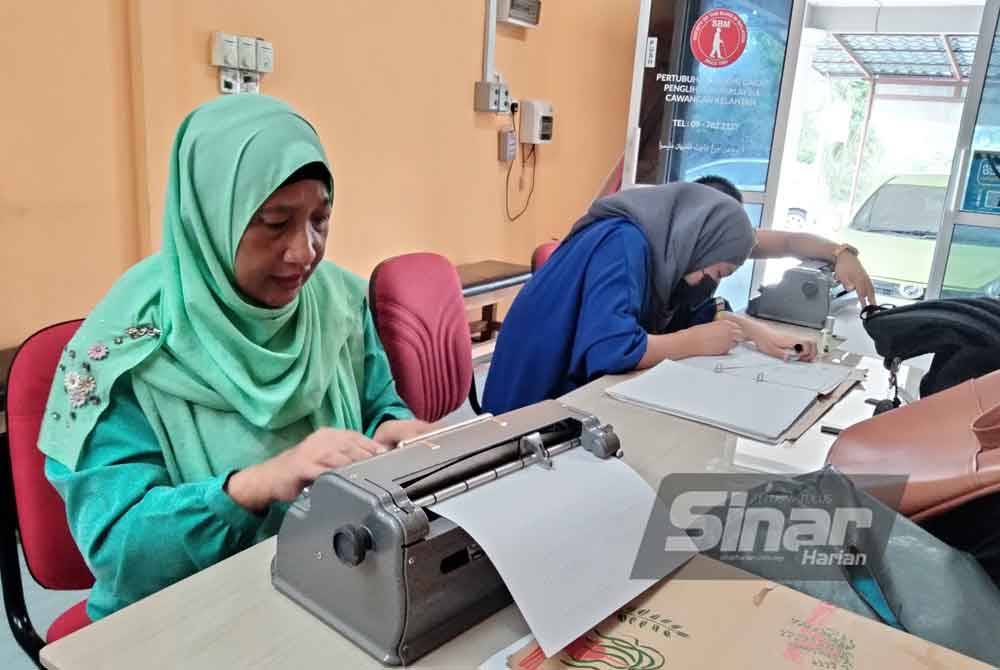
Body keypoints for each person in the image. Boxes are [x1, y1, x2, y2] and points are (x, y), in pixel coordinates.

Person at [39, 95, 429, 621]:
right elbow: (120, 550)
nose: (304, 252)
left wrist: (395, 431)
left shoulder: (337, 304)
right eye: (273, 221)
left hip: (337, 578)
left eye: (320, 219)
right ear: (210, 216)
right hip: (182, 612)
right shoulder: (121, 352)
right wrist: (253, 486)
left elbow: (378, 401)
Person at [481, 176, 876, 415]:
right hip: (530, 403)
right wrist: (689, 343)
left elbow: (692, 315)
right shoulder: (624, 243)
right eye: (717, 272)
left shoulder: (667, 252)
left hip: (569, 393)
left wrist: (758, 334)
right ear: (699, 243)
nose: (712, 283)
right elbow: (612, 348)